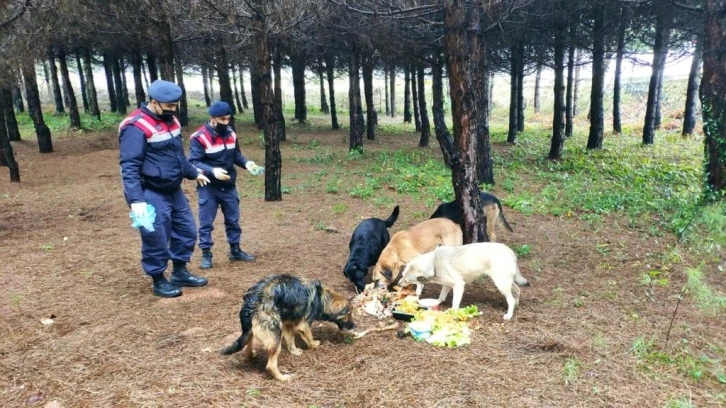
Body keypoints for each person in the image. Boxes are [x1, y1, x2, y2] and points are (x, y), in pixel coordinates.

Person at [119, 79, 212, 298]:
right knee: (156, 236)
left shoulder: (172, 121)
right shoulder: (136, 126)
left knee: (187, 231)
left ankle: (180, 272)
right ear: (154, 102)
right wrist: (136, 200)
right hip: (149, 191)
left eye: (176, 105)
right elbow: (129, 166)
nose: (174, 110)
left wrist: (194, 173)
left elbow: (178, 156)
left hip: (173, 189)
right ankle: (159, 278)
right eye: (169, 106)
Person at [189, 101, 263, 270]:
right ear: (212, 118)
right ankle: (206, 254)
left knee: (233, 220)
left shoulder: (230, 133)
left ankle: (235, 250)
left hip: (229, 185)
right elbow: (193, 162)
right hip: (209, 187)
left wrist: (247, 163)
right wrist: (212, 171)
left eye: (228, 119)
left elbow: (235, 155)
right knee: (206, 222)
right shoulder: (199, 137)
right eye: (222, 119)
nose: (226, 122)